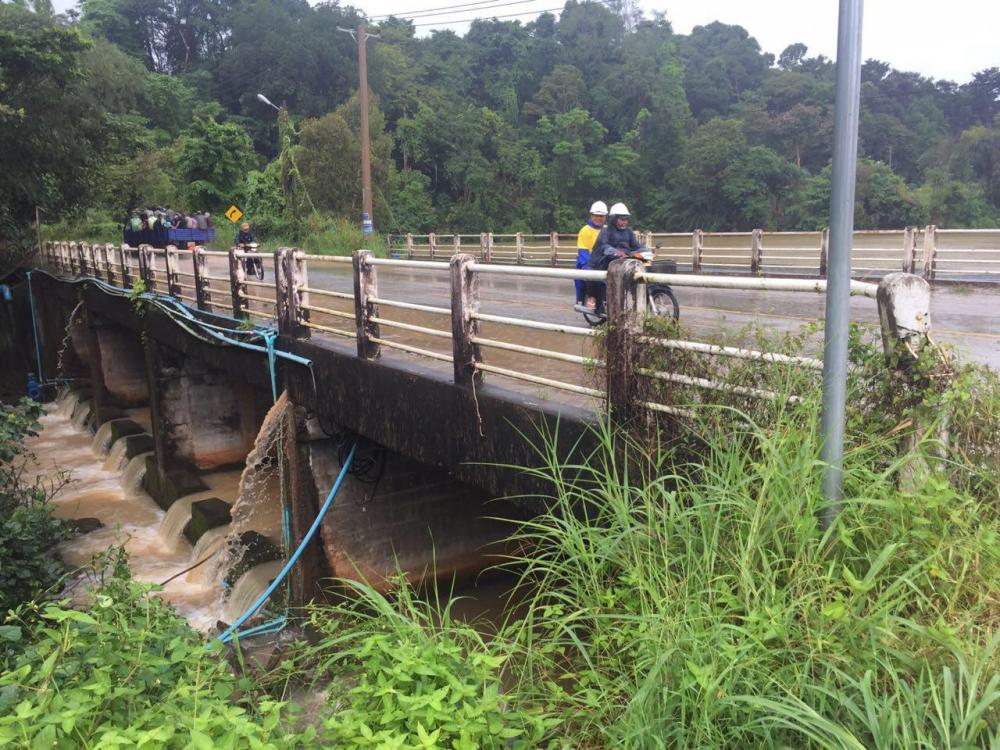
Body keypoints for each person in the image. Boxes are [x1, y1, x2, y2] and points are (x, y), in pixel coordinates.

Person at [585, 202, 647, 311]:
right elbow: (604, 246)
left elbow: (636, 246)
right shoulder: (606, 231)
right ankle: (593, 300)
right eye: (621, 219)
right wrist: (615, 252)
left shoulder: (628, 232)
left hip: (621, 263)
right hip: (601, 264)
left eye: (626, 219)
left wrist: (647, 251)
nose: (624, 222)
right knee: (597, 281)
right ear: (614, 219)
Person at [575, 201, 607, 308]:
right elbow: (583, 252)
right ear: (592, 215)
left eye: (601, 216)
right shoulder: (585, 231)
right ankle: (591, 297)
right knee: (590, 272)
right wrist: (592, 264)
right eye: (597, 216)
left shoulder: (608, 230)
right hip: (589, 262)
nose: (599, 218)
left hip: (605, 261)